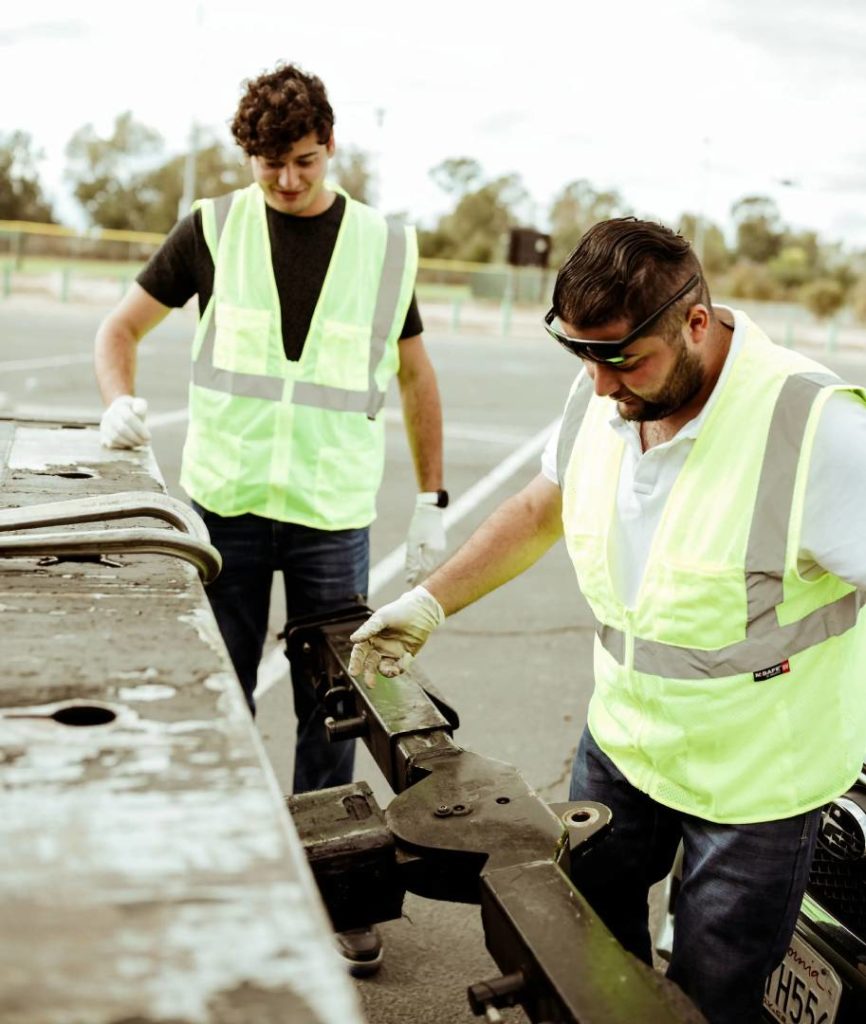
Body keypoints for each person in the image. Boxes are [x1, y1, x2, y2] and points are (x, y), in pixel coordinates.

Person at [348, 217, 866, 1023]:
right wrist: (429, 601)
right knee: (585, 960)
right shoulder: (602, 387)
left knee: (706, 999)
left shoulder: (818, 431)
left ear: (695, 322)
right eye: (584, 357)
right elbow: (540, 506)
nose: (600, 387)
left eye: (623, 359)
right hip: (626, 741)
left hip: (759, 779)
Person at [95, 61, 447, 977]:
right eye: (266, 164)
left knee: (333, 708)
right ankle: (208, 868)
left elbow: (415, 377)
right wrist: (116, 405)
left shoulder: (381, 244)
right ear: (246, 158)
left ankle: (329, 892)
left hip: (332, 513)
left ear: (330, 144)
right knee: (215, 697)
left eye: (301, 159)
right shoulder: (212, 228)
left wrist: (434, 499)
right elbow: (117, 332)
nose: (286, 181)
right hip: (226, 506)